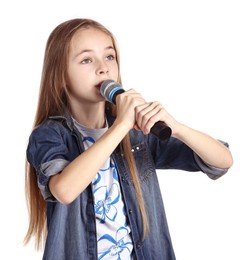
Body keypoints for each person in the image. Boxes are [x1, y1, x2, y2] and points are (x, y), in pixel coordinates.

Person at [24, 18, 233, 260]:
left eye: (109, 57)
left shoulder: (135, 136)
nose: (103, 68)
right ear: (61, 76)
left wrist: (177, 128)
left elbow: (222, 160)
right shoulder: (49, 135)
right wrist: (121, 125)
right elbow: (64, 190)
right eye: (86, 60)